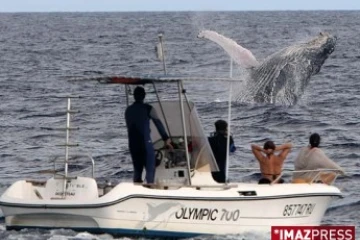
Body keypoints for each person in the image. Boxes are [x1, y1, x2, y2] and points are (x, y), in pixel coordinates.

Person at [125, 86, 172, 184]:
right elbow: (158, 124)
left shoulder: (128, 110)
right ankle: (149, 190)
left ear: (134, 96)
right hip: (145, 143)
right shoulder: (148, 108)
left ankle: (137, 191)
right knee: (150, 170)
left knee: (137, 171)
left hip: (133, 145)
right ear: (144, 96)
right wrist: (166, 139)